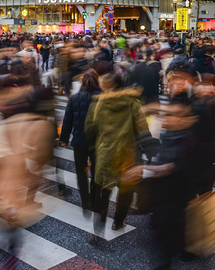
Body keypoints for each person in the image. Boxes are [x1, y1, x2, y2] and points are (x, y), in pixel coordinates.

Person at [85, 72, 154, 234]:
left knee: (104, 188)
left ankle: (100, 217)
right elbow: (142, 128)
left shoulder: (97, 104)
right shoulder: (132, 102)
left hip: (105, 152)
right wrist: (149, 149)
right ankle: (118, 220)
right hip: (128, 153)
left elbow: (89, 129)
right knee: (126, 189)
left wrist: (94, 148)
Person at [59, 70, 101, 215]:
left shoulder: (74, 98)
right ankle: (96, 201)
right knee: (97, 173)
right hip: (98, 142)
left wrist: (63, 138)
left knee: (81, 172)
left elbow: (67, 121)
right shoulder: (102, 98)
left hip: (79, 141)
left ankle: (85, 203)